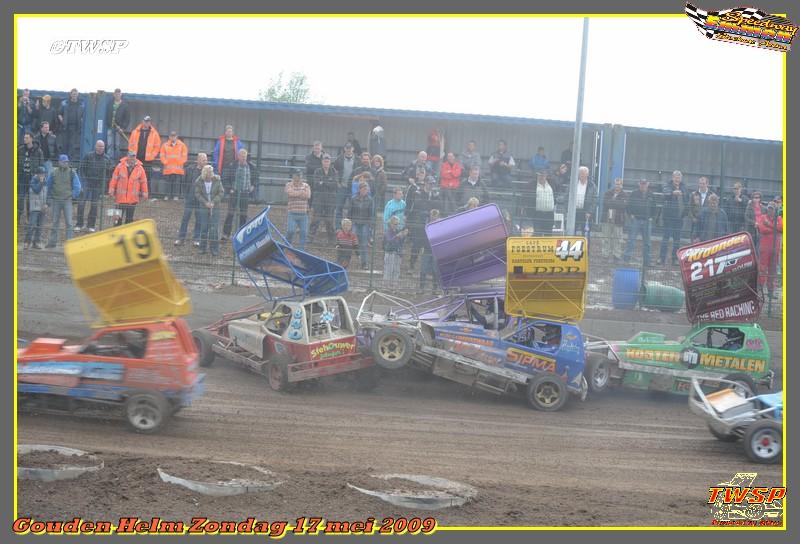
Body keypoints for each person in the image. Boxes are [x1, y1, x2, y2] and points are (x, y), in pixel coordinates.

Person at [44, 155, 82, 248]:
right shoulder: (53, 173)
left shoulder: (72, 173)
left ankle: (70, 243)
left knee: (69, 222)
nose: (66, 163)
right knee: (54, 222)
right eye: (64, 161)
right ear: (59, 162)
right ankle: (52, 242)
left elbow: (78, 186)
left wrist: (72, 196)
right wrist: (48, 197)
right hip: (56, 200)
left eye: (67, 162)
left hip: (67, 200)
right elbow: (48, 185)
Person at [76, 140, 113, 233]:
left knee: (94, 205)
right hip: (87, 183)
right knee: (81, 203)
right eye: (99, 146)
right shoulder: (88, 156)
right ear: (95, 146)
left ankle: (91, 225)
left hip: (98, 185)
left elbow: (110, 171)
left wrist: (104, 182)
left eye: (102, 147)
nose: (101, 148)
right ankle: (79, 224)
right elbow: (82, 167)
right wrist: (84, 179)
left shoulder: (107, 158)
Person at [175, 153, 208, 247]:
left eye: (206, 160)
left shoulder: (208, 171)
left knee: (199, 219)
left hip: (201, 199)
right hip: (190, 198)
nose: (205, 162)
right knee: (185, 218)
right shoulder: (190, 169)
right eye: (203, 160)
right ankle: (181, 238)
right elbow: (184, 181)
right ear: (198, 160)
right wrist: (186, 193)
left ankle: (197, 239)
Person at [108, 151, 149, 225]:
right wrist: (111, 189)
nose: (132, 158)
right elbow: (114, 179)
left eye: (134, 156)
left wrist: (145, 193)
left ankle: (127, 235)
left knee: (129, 220)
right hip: (120, 199)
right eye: (130, 156)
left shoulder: (140, 168)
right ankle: (116, 233)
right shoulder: (119, 166)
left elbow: (144, 182)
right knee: (117, 219)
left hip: (132, 199)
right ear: (127, 157)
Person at [222, 149, 255, 239]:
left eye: (245, 156)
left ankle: (241, 234)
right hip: (234, 192)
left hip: (245, 193)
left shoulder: (251, 166)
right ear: (238, 156)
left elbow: (256, 176)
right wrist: (229, 189)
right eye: (242, 156)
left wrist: (253, 185)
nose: (243, 158)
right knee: (230, 213)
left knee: (243, 214)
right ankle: (226, 234)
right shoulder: (232, 166)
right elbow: (225, 178)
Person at [658, 170, 688, 266]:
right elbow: (665, 192)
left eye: (679, 177)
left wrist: (682, 193)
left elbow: (687, 197)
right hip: (668, 217)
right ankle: (661, 258)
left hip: (679, 218)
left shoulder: (684, 186)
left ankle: (675, 259)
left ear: (681, 178)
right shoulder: (668, 185)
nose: (677, 179)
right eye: (675, 177)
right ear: (672, 177)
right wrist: (672, 193)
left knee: (677, 240)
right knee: (665, 238)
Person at [622, 179, 654, 266]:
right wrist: (630, 214)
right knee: (631, 240)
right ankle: (626, 259)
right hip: (635, 220)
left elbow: (655, 207)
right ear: (639, 184)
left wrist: (652, 217)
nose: (643, 185)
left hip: (647, 220)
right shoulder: (634, 193)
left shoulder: (651, 194)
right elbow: (628, 205)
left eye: (644, 184)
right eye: (641, 184)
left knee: (647, 242)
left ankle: (647, 261)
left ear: (648, 184)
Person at [194, 166, 224, 256]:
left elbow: (221, 192)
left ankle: (214, 249)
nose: (211, 174)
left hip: (215, 207)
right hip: (204, 207)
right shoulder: (199, 181)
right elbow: (197, 193)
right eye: (209, 172)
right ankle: (202, 248)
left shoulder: (217, 180)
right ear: (205, 173)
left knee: (214, 228)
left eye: (212, 172)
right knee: (204, 228)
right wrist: (205, 202)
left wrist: (213, 202)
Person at [128, 116, 162, 190]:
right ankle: (135, 191)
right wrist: (132, 155)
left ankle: (146, 193)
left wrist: (152, 155)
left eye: (148, 121)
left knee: (147, 176)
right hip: (136, 158)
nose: (147, 123)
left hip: (148, 159)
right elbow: (130, 144)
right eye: (146, 121)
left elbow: (157, 146)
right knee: (135, 175)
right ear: (142, 121)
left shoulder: (154, 133)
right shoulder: (135, 132)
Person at [310, 153, 338, 243]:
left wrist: (323, 182)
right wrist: (328, 182)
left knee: (329, 220)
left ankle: (331, 239)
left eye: (328, 161)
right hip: (319, 199)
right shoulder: (317, 171)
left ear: (330, 162)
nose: (326, 163)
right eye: (325, 161)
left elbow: (335, 185)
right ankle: (310, 237)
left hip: (330, 200)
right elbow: (316, 184)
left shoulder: (334, 172)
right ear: (322, 162)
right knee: (316, 219)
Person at [757, 203, 782, 298]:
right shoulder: (763, 217)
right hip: (765, 248)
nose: (770, 210)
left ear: (775, 210)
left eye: (772, 209)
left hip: (775, 249)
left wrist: (770, 225)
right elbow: (762, 229)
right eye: (769, 208)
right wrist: (775, 228)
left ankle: (770, 291)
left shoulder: (779, 218)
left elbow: (782, 228)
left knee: (773, 269)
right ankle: (760, 290)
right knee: (762, 268)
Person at [348, 180, 374, 270]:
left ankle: (364, 263)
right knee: (350, 242)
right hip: (354, 222)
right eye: (363, 189)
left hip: (365, 224)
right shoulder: (353, 198)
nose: (365, 191)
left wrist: (370, 225)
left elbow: (371, 214)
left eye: (366, 189)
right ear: (359, 189)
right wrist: (349, 224)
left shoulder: (370, 200)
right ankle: (345, 261)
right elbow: (349, 212)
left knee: (363, 244)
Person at [212, 125, 245, 195]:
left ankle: (231, 197)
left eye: (230, 131)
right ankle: (223, 196)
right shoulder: (221, 141)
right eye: (228, 131)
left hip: (234, 167)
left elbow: (242, 151)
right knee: (223, 181)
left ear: (233, 132)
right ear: (225, 132)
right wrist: (216, 163)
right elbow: (216, 152)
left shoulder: (237, 141)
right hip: (223, 166)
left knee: (233, 181)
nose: (229, 133)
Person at [18, 131, 43, 221]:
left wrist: (39, 177)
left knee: (30, 199)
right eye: (24, 137)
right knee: (20, 198)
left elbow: (41, 165)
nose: (25, 139)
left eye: (27, 138)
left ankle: (29, 218)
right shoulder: (20, 149)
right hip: (21, 177)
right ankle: (17, 218)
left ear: (31, 139)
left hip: (32, 178)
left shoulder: (38, 151)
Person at [601, 177, 627, 263]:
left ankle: (616, 256)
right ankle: (605, 255)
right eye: (616, 184)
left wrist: (612, 203)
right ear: (614, 184)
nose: (617, 186)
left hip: (618, 220)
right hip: (606, 219)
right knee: (606, 238)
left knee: (618, 239)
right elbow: (605, 203)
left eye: (619, 184)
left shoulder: (625, 195)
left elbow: (623, 206)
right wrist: (616, 203)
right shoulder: (607, 193)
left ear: (622, 185)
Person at [285, 169, 311, 250]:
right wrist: (301, 193)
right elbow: (290, 193)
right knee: (290, 231)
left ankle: (301, 251)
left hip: (304, 214)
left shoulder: (306, 185)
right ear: (293, 176)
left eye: (299, 175)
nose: (298, 177)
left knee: (304, 233)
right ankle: (287, 247)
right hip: (292, 213)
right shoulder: (288, 184)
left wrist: (295, 194)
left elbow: (308, 195)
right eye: (297, 175)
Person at [333, 142, 357, 228]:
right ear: (344, 149)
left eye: (350, 148)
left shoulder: (357, 159)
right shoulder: (339, 159)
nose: (348, 150)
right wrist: (337, 183)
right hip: (342, 187)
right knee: (339, 208)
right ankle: (338, 228)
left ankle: (350, 227)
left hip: (353, 188)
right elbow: (334, 171)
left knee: (352, 208)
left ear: (353, 149)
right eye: (347, 148)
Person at [160, 131, 188, 201]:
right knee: (168, 183)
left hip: (178, 169)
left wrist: (180, 162)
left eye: (174, 136)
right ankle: (167, 196)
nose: (173, 137)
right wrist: (165, 162)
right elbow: (162, 155)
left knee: (177, 184)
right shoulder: (164, 145)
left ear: (177, 136)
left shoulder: (182, 145)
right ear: (169, 137)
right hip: (168, 168)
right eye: (171, 136)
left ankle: (176, 196)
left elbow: (184, 156)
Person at [24, 167, 48, 250]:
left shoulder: (45, 182)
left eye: (44, 174)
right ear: (37, 174)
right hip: (34, 208)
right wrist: (41, 182)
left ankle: (36, 243)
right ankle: (27, 243)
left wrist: (47, 204)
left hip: (42, 207)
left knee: (40, 227)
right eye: (41, 174)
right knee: (32, 225)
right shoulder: (33, 181)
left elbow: (48, 194)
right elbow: (37, 190)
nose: (43, 175)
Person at [58, 89, 84, 160]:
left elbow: (84, 115)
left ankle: (69, 160)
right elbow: (59, 114)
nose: (74, 95)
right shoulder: (65, 103)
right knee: (64, 143)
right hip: (65, 126)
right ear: (70, 94)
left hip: (75, 127)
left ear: (78, 95)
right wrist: (62, 121)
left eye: (75, 94)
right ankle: (63, 159)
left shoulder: (81, 104)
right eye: (73, 94)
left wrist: (82, 121)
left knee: (72, 144)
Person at [105, 88, 131, 160]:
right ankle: (109, 160)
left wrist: (122, 128)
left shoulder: (125, 105)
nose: (117, 95)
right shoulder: (110, 104)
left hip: (119, 128)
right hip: (110, 127)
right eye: (116, 94)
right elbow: (107, 115)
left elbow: (127, 118)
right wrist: (108, 123)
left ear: (121, 95)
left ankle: (116, 160)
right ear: (114, 95)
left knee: (117, 145)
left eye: (118, 94)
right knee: (109, 144)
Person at [383, 215, 407, 289]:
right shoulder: (388, 231)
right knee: (389, 269)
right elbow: (389, 240)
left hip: (397, 252)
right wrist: (397, 236)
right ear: (390, 224)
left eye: (397, 224)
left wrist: (404, 236)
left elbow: (401, 243)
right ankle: (386, 285)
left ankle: (394, 284)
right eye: (395, 224)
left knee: (396, 269)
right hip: (390, 252)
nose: (396, 225)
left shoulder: (397, 231)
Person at [419, 209, 441, 291]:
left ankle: (435, 289)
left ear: (438, 216)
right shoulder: (425, 225)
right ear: (430, 216)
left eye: (435, 216)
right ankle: (421, 288)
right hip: (427, 249)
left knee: (435, 270)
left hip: (436, 250)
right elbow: (422, 237)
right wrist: (421, 247)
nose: (434, 218)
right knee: (423, 269)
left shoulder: (440, 226)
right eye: (432, 216)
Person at [688, 176, 715, 242]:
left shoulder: (712, 195)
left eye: (703, 183)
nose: (701, 185)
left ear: (707, 184)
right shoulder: (693, 194)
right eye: (700, 183)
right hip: (696, 222)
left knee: (705, 242)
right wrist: (693, 218)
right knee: (694, 241)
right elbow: (689, 208)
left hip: (707, 223)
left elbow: (714, 209)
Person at [531, 171, 555, 235]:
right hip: (537, 214)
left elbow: (557, 193)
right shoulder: (532, 185)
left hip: (549, 215)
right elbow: (527, 199)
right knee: (537, 234)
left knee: (549, 235)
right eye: (539, 175)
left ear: (546, 176)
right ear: (537, 176)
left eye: (543, 175)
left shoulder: (552, 184)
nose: (541, 177)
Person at [574, 166, 597, 234]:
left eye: (583, 173)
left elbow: (594, 200)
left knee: (586, 233)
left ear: (587, 174)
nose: (582, 175)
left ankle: (586, 245)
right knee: (572, 231)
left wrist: (589, 212)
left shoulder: (592, 186)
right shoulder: (573, 183)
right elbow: (567, 197)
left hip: (586, 213)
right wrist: (568, 210)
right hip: (574, 212)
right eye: (580, 173)